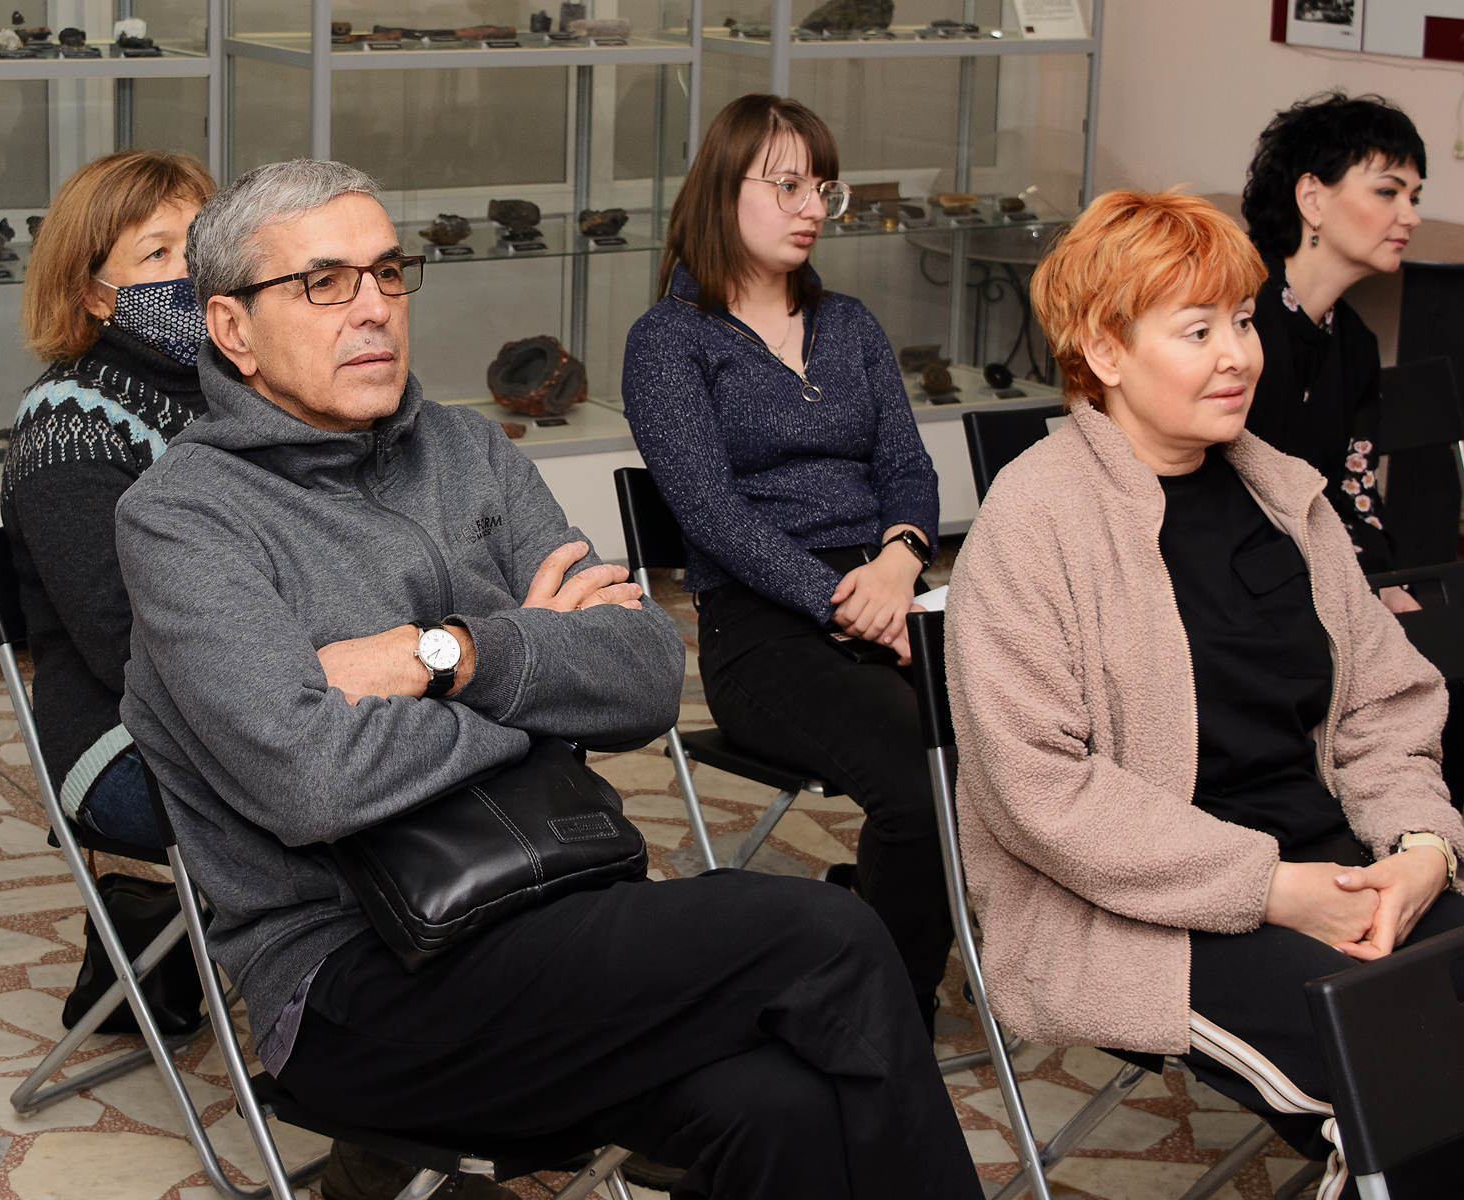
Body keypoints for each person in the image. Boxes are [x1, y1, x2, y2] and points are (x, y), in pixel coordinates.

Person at [116, 157, 984, 1200]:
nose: (375, 308)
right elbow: (313, 780)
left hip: (554, 906)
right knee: (829, 935)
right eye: (325, 283)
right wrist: (542, 686)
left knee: (784, 1108)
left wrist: (450, 656)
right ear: (232, 328)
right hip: (357, 983)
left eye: (387, 273)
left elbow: (647, 674)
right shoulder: (183, 519)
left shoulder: (467, 452)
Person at [946, 189, 1464, 1198]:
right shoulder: (1036, 520)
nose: (1237, 354)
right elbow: (1041, 790)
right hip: (1143, 916)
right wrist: (1272, 888)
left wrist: (1419, 848)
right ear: (1103, 349)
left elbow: (1387, 703)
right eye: (1197, 331)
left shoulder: (1282, 492)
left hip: (1341, 869)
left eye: (1242, 320)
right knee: (1430, 1075)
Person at [621, 95, 953, 1034]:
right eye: (788, 186)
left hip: (888, 590)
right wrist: (843, 599)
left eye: (823, 189)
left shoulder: (849, 324)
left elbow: (907, 469)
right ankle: (889, 1017)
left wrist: (899, 565)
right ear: (723, 191)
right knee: (922, 779)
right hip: (761, 628)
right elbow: (712, 517)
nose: (813, 208)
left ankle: (872, 915)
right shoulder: (668, 341)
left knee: (1018, 742)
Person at [1240, 91, 1464, 808]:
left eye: (1415, 196)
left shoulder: (1354, 344)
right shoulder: (1235, 317)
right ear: (1313, 198)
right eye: (1388, 191)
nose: (1411, 215)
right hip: (1230, 581)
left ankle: (1418, 852)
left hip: (1310, 573)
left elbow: (1354, 490)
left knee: (1436, 678)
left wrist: (1380, 580)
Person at [4, 148, 214, 847]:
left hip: (273, 696)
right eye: (158, 253)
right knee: (365, 790)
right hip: (125, 739)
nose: (191, 269)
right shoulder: (68, 426)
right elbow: (122, 642)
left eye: (201, 243)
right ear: (94, 294)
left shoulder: (245, 382)